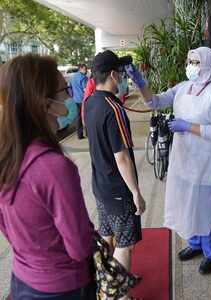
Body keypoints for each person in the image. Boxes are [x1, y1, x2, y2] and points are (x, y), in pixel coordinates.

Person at [126, 46, 211, 274]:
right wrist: (141, 84)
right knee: (187, 203)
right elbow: (155, 102)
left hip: (206, 164)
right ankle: (194, 244)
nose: (190, 66)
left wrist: (187, 127)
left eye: (195, 62)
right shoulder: (183, 88)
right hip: (184, 160)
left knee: (207, 208)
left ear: (206, 64)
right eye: (189, 61)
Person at [0, 54, 94, 299]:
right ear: (44, 103)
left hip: (22, 279)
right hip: (63, 287)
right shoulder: (54, 168)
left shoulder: (6, 156)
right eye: (64, 90)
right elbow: (79, 247)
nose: (71, 98)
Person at [84, 50, 145, 300]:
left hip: (100, 185)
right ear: (112, 74)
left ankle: (103, 285)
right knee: (125, 244)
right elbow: (122, 156)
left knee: (107, 236)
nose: (121, 75)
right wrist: (136, 193)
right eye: (119, 71)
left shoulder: (90, 103)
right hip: (118, 190)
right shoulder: (114, 109)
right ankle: (117, 296)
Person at [71, 63, 88, 139]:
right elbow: (85, 89)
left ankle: (79, 135)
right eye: (85, 69)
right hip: (83, 99)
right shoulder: (83, 77)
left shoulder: (73, 77)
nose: (86, 70)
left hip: (75, 99)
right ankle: (88, 133)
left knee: (78, 117)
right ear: (80, 69)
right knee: (86, 116)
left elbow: (70, 87)